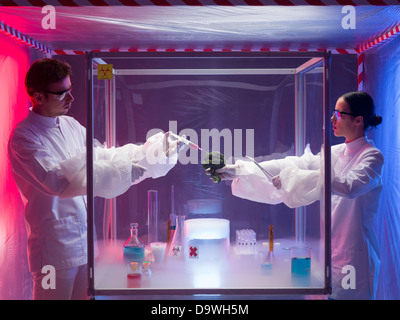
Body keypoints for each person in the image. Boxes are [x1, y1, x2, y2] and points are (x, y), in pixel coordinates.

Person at [8, 58, 182, 300]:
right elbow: (55, 179)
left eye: (70, 90)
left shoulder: (70, 126)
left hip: (84, 244)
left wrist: (149, 153)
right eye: (61, 94)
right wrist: (120, 171)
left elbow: (102, 154)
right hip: (53, 250)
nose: (70, 98)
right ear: (38, 96)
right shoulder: (24, 138)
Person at [213, 91, 383, 300]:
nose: (332, 119)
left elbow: (349, 186)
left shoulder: (372, 156)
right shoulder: (336, 151)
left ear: (358, 120)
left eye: (339, 114)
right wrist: (239, 170)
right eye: (333, 113)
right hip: (330, 254)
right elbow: (294, 164)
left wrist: (291, 178)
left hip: (354, 258)